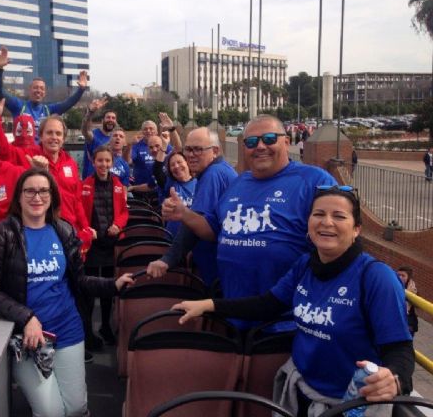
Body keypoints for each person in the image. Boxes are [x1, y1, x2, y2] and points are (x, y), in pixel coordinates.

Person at [173, 185, 414, 415]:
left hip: (350, 404)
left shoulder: (376, 277)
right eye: (318, 214)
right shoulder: (305, 265)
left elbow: (399, 348)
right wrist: (209, 305)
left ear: (356, 229)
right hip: (302, 393)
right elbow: (268, 304)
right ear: (308, 223)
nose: (327, 222)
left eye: (339, 216)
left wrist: (394, 379)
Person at [0, 169, 134, 417]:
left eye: (43, 191)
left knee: (76, 408)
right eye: (29, 190)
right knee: (51, 412)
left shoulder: (63, 230)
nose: (36, 197)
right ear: (19, 196)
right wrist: (26, 318)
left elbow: (79, 279)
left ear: (52, 196)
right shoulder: (3, 234)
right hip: (28, 339)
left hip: (68, 330)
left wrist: (112, 284)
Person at [161, 114, 337, 329]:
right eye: (252, 142)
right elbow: (214, 231)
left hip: (287, 325)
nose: (260, 146)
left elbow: (340, 243)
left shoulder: (314, 180)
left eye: (269, 138)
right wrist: (183, 214)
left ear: (287, 142)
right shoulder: (238, 182)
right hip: (234, 316)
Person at [0, 99, 94, 244]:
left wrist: (85, 227)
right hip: (40, 233)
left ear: (63, 138)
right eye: (49, 133)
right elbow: (5, 151)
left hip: (68, 232)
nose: (54, 137)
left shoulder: (70, 163)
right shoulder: (28, 156)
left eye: (58, 133)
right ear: (41, 136)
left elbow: (77, 200)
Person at [147, 127, 237, 288]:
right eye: (188, 149)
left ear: (215, 151)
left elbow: (195, 224)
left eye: (198, 149)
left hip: (217, 269)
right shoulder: (221, 170)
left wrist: (168, 259)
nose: (191, 155)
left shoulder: (213, 174)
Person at [81, 146, 129, 347]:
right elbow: (79, 211)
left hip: (110, 243)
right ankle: (88, 331)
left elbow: (125, 211)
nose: (103, 164)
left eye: (107, 161)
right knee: (90, 290)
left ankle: (106, 327)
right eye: (100, 161)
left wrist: (118, 224)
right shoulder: (85, 185)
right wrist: (85, 229)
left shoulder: (118, 184)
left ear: (112, 163)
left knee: (109, 288)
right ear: (93, 162)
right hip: (92, 244)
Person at [0, 47, 88, 140]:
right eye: (35, 87)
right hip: (23, 152)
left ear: (44, 93)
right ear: (30, 89)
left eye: (41, 89)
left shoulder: (48, 110)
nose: (38, 90)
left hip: (42, 153)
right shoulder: (19, 106)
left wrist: (81, 89)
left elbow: (68, 103)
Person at [152, 150, 196, 237]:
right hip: (172, 239)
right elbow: (157, 170)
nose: (176, 166)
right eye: (172, 165)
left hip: (194, 238)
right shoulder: (170, 184)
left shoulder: (200, 183)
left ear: (187, 163)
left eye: (179, 162)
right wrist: (163, 147)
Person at [128, 120, 173, 203]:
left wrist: (172, 129)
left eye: (151, 128)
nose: (148, 131)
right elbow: (128, 161)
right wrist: (130, 145)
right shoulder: (136, 145)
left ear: (156, 131)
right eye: (145, 129)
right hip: (140, 190)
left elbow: (176, 152)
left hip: (159, 190)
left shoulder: (163, 144)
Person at [80, 97, 117, 178]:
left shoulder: (115, 138)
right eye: (108, 117)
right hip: (90, 181)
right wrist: (91, 112)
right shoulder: (93, 135)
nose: (111, 120)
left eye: (113, 118)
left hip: (107, 183)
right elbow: (84, 130)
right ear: (102, 120)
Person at [396, 266, 419, 336]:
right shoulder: (394, 285)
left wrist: (409, 293)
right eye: (398, 275)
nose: (400, 277)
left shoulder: (412, 291)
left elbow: (416, 306)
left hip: (408, 322)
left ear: (408, 278)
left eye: (403, 275)